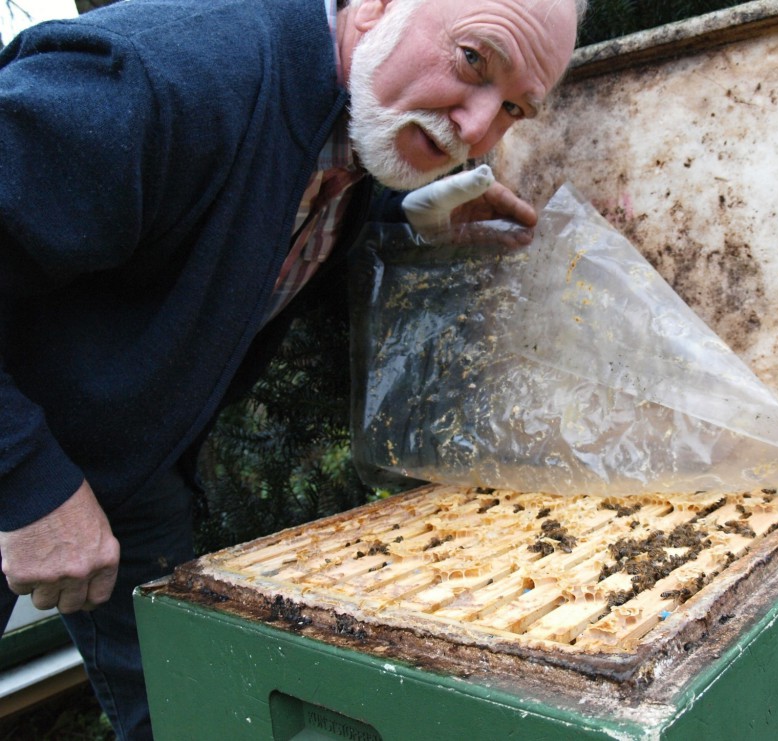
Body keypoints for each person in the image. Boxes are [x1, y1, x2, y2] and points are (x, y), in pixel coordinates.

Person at [0, 0, 585, 737]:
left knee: (189, 711)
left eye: (512, 109)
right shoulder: (157, 79)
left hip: (124, 465)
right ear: (374, 7)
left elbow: (253, 214)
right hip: (20, 440)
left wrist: (410, 219)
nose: (476, 129)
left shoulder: (352, 119)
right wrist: (27, 482)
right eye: (473, 60)